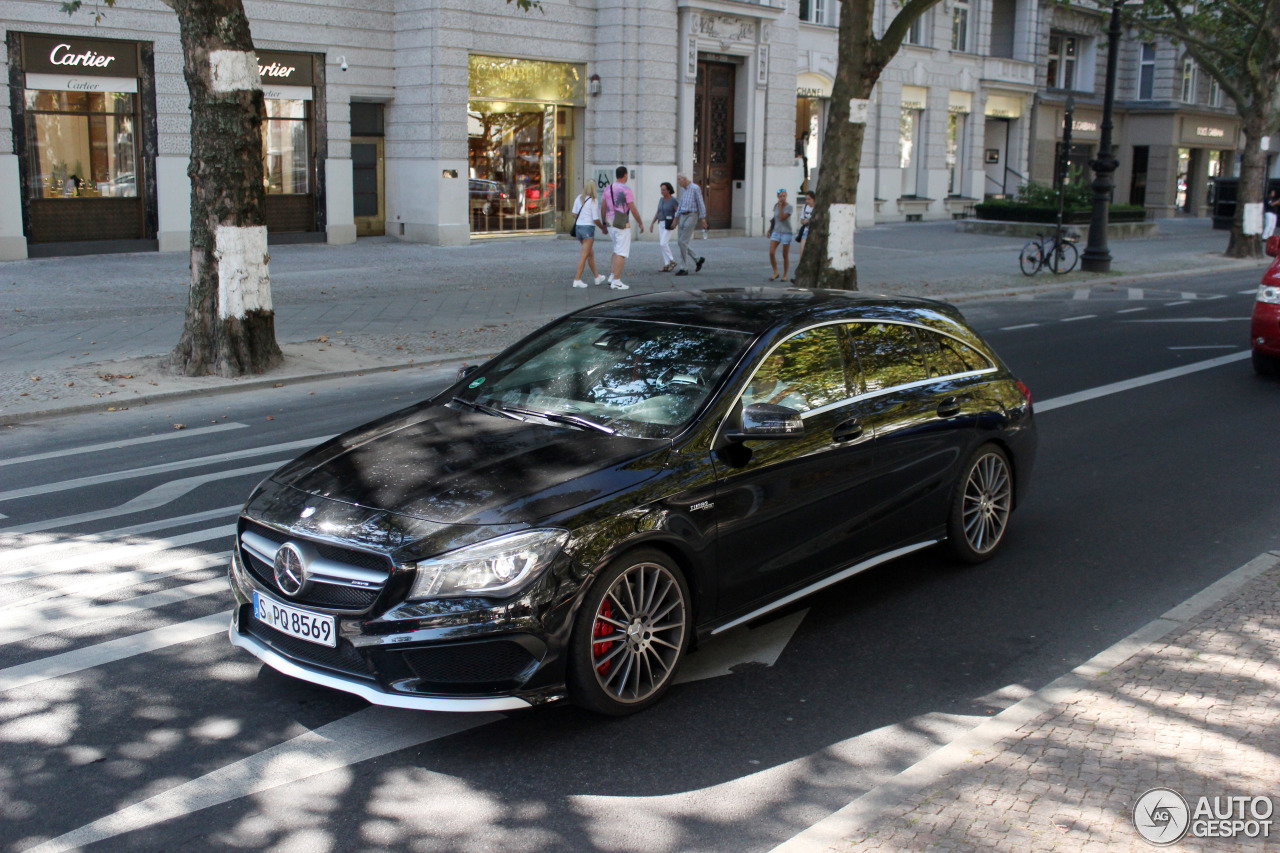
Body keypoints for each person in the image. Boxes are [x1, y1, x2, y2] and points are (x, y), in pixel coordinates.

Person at [601, 166, 644, 290]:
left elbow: (603, 207)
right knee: (621, 252)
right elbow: (632, 208)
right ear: (625, 175)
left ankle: (612, 275)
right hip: (621, 222)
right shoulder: (626, 189)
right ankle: (616, 280)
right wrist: (640, 222)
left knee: (616, 249)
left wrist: (604, 223)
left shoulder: (607, 188)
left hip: (609, 221)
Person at [570, 182, 608, 288]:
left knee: (590, 254)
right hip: (588, 229)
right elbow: (595, 219)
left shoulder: (579, 198)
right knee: (584, 255)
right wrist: (603, 228)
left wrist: (581, 216)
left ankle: (597, 277)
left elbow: (573, 213)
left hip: (578, 228)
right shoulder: (593, 200)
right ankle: (577, 279)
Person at [674, 172, 707, 276]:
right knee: (681, 242)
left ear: (684, 179)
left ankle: (684, 268)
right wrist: (676, 217)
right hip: (683, 215)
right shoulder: (683, 190)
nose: (678, 182)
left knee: (682, 242)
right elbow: (681, 203)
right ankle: (697, 259)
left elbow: (700, 203)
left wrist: (703, 219)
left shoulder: (695, 188)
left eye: (679, 179)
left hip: (692, 215)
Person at [651, 182, 679, 272]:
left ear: (669, 190)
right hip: (661, 222)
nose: (662, 191)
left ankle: (672, 261)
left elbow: (678, 212)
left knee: (663, 243)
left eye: (663, 190)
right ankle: (666, 264)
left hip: (669, 223)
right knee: (663, 245)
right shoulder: (661, 200)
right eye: (661, 189)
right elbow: (658, 211)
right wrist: (652, 223)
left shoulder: (673, 200)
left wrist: (675, 222)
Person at [768, 189, 794, 281]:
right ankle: (775, 272)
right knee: (771, 252)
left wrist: (780, 207)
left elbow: (782, 218)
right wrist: (770, 229)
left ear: (786, 196)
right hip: (776, 231)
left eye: (784, 196)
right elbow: (775, 218)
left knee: (785, 254)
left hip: (786, 232)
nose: (782, 198)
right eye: (780, 196)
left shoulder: (789, 207)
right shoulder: (776, 205)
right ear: (778, 197)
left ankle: (785, 275)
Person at [793, 190, 815, 282]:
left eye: (809, 199)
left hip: (814, 232)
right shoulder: (805, 207)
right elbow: (801, 220)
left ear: (814, 199)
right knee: (802, 253)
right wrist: (805, 221)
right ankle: (799, 275)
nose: (807, 201)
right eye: (806, 199)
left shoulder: (817, 208)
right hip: (806, 230)